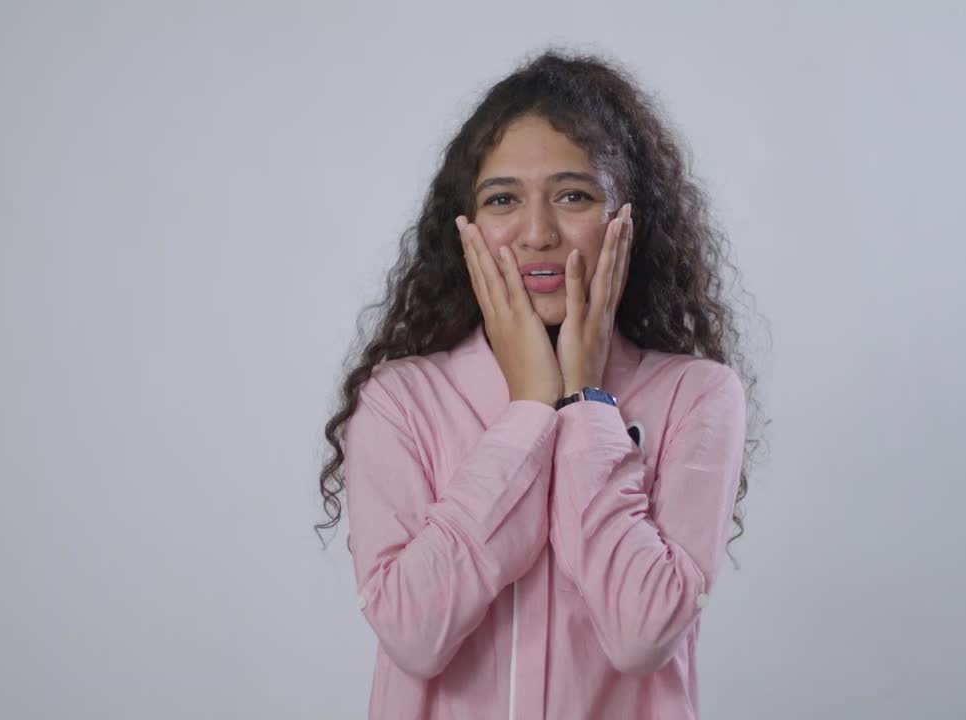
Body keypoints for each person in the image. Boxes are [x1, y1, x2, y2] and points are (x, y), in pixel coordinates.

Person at [317, 48, 764, 720]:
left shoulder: (697, 396)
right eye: (503, 200)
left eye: (573, 196)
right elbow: (414, 633)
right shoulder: (400, 400)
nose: (537, 234)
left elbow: (642, 632)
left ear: (627, 219)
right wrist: (528, 413)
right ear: (465, 226)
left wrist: (586, 406)